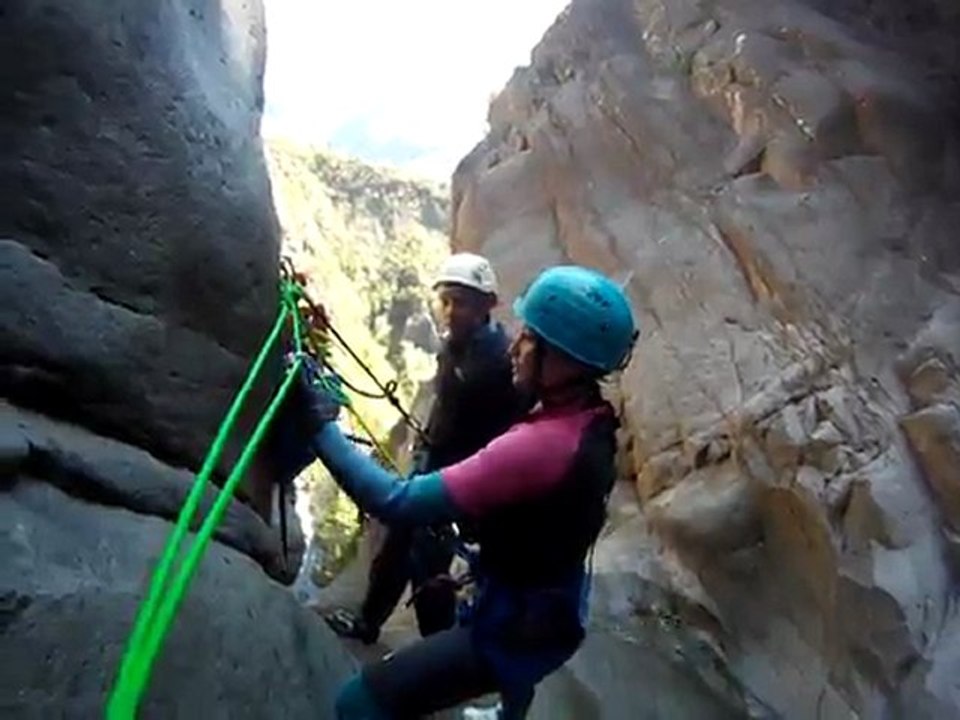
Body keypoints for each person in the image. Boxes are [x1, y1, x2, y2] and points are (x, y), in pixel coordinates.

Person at [292, 264, 638, 719]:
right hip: (553, 605)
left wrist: (319, 426)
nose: (515, 346)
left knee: (356, 703)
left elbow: (398, 502)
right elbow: (549, 528)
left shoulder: (539, 445)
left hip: (511, 626)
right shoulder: (589, 419)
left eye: (530, 338)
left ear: (564, 362)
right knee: (516, 674)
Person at [324, 252, 529, 645]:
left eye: (462, 302)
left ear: (488, 305)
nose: (451, 311)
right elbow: (446, 407)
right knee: (396, 542)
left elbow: (505, 429)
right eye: (446, 301)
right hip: (436, 461)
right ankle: (369, 623)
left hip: (463, 477)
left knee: (427, 562)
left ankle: (438, 658)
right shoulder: (457, 346)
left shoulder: (496, 362)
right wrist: (423, 447)